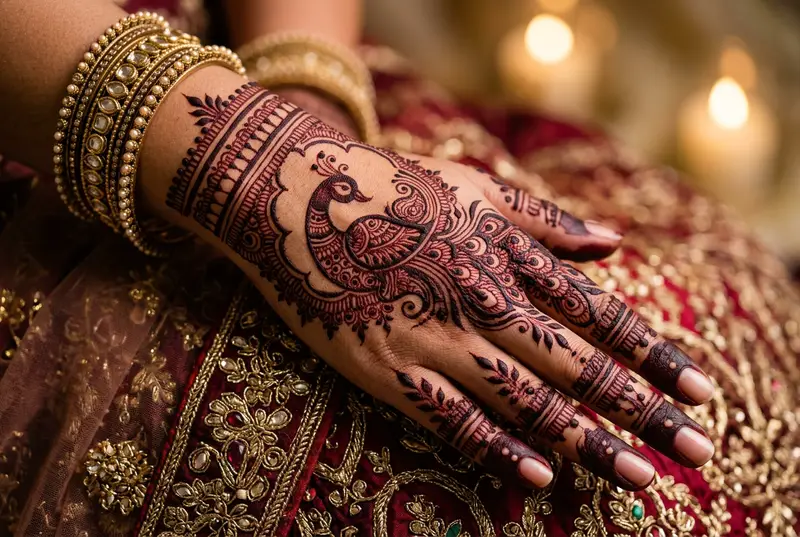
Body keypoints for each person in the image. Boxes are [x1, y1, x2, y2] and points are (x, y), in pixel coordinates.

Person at [0, 1, 796, 536]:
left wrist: (307, 88)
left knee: (729, 325)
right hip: (46, 113)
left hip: (251, 61)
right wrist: (248, 166)